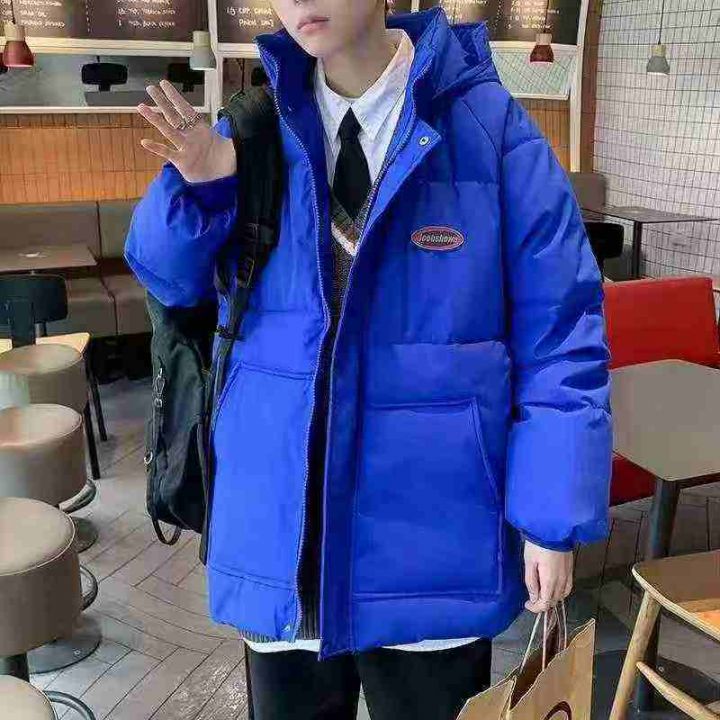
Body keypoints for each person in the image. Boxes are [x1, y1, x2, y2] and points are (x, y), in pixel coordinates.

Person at [125, 2, 613, 718]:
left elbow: (561, 332)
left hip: (431, 541)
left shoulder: (489, 130)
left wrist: (550, 516)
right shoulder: (250, 130)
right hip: (280, 533)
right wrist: (203, 184)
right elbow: (168, 280)